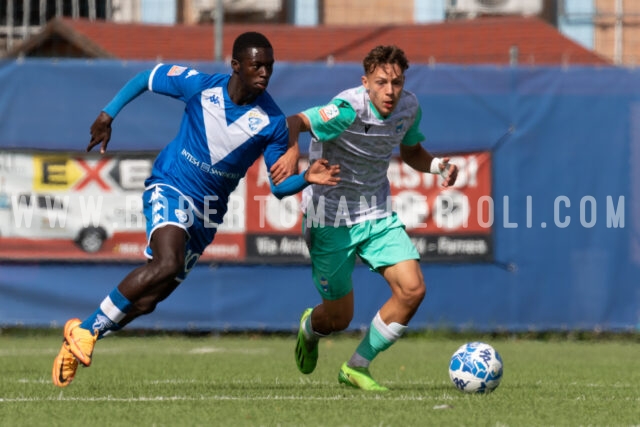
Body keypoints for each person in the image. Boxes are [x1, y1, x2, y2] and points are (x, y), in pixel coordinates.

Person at [52, 31, 340, 387]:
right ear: (236, 66)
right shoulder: (200, 87)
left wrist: (307, 178)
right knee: (166, 262)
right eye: (256, 65)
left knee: (148, 302)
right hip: (171, 186)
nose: (265, 72)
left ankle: (83, 332)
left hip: (206, 215)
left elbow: (279, 187)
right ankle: (84, 334)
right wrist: (108, 113)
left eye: (269, 65)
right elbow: (148, 77)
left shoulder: (273, 123)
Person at [285, 45, 458, 391]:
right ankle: (309, 329)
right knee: (338, 318)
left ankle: (356, 367)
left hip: (377, 214)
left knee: (412, 289)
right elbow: (295, 122)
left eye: (396, 82)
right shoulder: (347, 109)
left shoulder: (408, 107)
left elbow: (410, 151)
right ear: (366, 82)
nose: (390, 91)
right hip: (329, 218)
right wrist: (292, 152)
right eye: (381, 83)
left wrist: (438, 166)